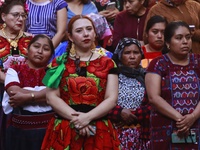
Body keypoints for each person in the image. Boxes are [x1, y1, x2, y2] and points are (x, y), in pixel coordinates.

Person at [41, 15, 120, 150]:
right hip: (65, 128)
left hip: (98, 127)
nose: (85, 34)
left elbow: (111, 98)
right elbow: (51, 97)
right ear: (70, 37)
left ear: (94, 33)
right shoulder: (58, 62)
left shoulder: (108, 63)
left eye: (89, 29)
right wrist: (79, 120)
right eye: (79, 31)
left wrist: (87, 118)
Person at [145, 21, 200, 149]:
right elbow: (154, 98)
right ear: (168, 43)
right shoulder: (158, 64)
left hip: (196, 125)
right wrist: (181, 119)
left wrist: (192, 117)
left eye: (188, 37)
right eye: (179, 38)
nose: (185, 41)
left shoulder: (198, 61)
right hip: (165, 128)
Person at [2, 34, 55, 150]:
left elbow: (56, 94)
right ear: (28, 49)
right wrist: (44, 94)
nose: (40, 51)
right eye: (36, 46)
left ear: (51, 54)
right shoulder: (15, 70)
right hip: (20, 133)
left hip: (48, 132)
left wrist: (27, 96)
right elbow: (14, 92)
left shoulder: (52, 73)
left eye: (46, 49)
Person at [0, 1, 33, 149]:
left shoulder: (31, 40)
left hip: (26, 91)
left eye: (23, 15)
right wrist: (13, 85)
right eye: (15, 15)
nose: (20, 19)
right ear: (4, 16)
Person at [108, 37, 150, 149]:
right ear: (120, 55)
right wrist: (120, 112)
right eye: (127, 53)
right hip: (115, 134)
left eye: (136, 52)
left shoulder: (148, 77)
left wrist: (134, 114)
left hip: (142, 135)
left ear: (141, 55)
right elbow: (103, 102)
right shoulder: (112, 76)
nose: (132, 57)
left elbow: (155, 103)